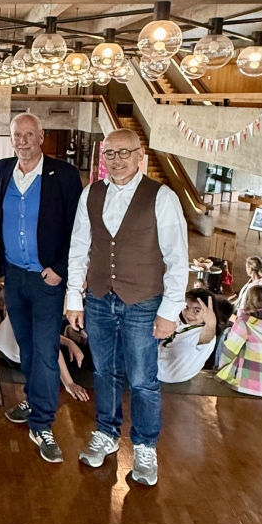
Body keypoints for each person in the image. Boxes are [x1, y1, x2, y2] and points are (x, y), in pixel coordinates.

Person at [66, 128, 189, 486]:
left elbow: (177, 258)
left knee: (143, 379)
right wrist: (75, 298)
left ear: (140, 155)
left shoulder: (161, 196)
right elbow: (78, 248)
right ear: (103, 158)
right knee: (104, 372)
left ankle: (145, 446)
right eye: (110, 154)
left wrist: (170, 311)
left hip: (144, 301)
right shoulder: (91, 193)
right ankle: (106, 432)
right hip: (100, 298)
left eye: (124, 153)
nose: (117, 160)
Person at [0, 113, 82, 463]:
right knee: (26, 344)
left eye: (30, 134)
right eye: (18, 135)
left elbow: (77, 226)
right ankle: (33, 397)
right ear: (11, 138)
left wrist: (59, 269)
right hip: (14, 276)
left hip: (47, 279)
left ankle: (42, 423)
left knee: (45, 349)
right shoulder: (1, 170)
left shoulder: (64, 175)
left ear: (41, 136)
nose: (24, 140)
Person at [157, 289, 233, 384]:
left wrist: (211, 323)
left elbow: (207, 335)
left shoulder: (202, 333)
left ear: (209, 313)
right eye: (186, 307)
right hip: (164, 369)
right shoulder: (187, 324)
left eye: (197, 310)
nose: (189, 313)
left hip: (164, 373)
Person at [217, 285, 262, 396]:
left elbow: (229, 350)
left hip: (246, 385)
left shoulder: (244, 323)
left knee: (226, 334)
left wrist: (221, 368)